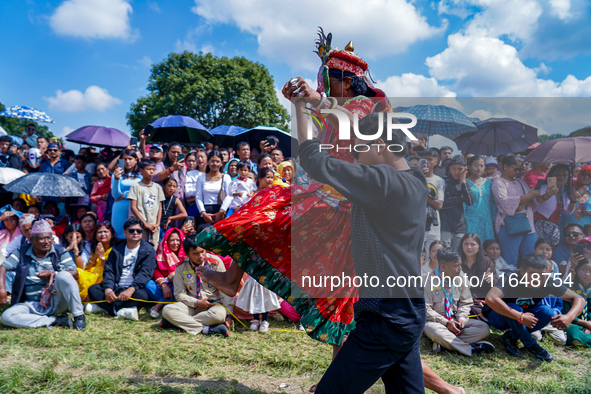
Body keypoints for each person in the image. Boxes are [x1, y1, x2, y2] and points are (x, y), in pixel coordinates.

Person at [485, 253, 585, 361]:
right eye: (533, 274)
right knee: (515, 307)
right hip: (499, 318)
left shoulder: (548, 281)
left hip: (525, 318)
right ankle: (532, 345)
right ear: (522, 271)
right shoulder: (511, 277)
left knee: (548, 312)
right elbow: (491, 298)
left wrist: (569, 317)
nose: (537, 278)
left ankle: (510, 336)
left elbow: (579, 299)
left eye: (542, 275)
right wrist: (520, 316)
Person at [0, 219, 85, 330]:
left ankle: (78, 316)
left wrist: (52, 273)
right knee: (6, 317)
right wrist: (2, 289)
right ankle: (55, 321)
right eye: (41, 238)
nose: (46, 242)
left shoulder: (59, 251)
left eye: (49, 238)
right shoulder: (22, 252)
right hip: (30, 304)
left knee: (63, 275)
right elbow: (3, 267)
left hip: (55, 302)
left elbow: (75, 273)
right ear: (32, 240)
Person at [423, 248, 493, 356]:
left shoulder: (461, 278)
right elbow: (425, 309)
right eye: (456, 265)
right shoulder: (427, 281)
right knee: (434, 330)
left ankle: (444, 343)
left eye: (460, 265)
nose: (460, 268)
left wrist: (461, 319)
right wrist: (446, 323)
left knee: (484, 328)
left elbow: (466, 302)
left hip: (455, 320)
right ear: (443, 267)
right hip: (436, 322)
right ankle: (470, 348)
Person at [161, 235, 233, 336]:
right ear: (187, 254)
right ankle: (206, 329)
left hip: (212, 306)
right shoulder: (181, 268)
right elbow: (179, 294)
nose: (200, 256)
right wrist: (196, 302)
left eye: (202, 251)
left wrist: (229, 314)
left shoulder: (216, 263)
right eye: (195, 253)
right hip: (191, 305)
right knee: (167, 310)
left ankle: (176, 323)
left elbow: (225, 289)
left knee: (219, 315)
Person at [88, 218, 156, 320]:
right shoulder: (116, 249)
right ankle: (123, 310)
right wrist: (108, 290)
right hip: (116, 287)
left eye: (139, 231)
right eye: (131, 231)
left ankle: (108, 309)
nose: (135, 233)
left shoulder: (148, 250)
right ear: (125, 233)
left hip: (134, 289)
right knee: (93, 289)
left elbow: (145, 273)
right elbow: (109, 270)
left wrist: (130, 290)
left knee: (143, 295)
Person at [492, 155, 540, 268]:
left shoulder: (521, 182)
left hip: (528, 224)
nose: (518, 172)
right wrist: (526, 198)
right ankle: (510, 284)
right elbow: (506, 203)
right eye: (515, 169)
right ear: (505, 166)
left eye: (519, 169)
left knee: (532, 258)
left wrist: (524, 200)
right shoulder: (499, 183)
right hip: (510, 225)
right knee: (510, 259)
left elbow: (532, 201)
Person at [146, 228, 185, 318]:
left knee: (180, 286)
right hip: (164, 286)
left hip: (179, 286)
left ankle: (159, 305)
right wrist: (163, 285)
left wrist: (176, 274)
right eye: (172, 240)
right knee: (148, 285)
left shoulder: (186, 254)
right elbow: (156, 271)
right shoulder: (160, 253)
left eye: (178, 240)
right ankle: (169, 301)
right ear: (166, 241)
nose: (175, 243)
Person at [534, 164, 576, 247]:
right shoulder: (543, 187)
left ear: (568, 178)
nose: (561, 177)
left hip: (554, 230)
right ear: (552, 175)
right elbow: (537, 201)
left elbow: (567, 212)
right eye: (558, 174)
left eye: (564, 175)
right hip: (539, 228)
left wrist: (573, 201)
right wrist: (547, 195)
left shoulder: (564, 191)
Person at [128, 159, 165, 249]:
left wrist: (157, 224)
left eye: (153, 169)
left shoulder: (158, 187)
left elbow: (160, 207)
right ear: (141, 171)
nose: (151, 171)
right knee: (140, 248)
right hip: (140, 225)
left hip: (154, 226)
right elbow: (133, 207)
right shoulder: (135, 186)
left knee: (153, 249)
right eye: (149, 169)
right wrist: (144, 223)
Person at [459, 233, 497, 318]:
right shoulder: (457, 262)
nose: (469, 247)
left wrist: (491, 280)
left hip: (483, 300)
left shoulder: (486, 261)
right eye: (466, 244)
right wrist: (472, 300)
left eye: (472, 244)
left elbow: (496, 286)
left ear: (479, 246)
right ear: (462, 246)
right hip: (462, 299)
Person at [440, 155, 474, 251]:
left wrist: (463, 181)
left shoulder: (464, 183)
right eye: (454, 168)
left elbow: (470, 201)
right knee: (445, 252)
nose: (456, 172)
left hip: (459, 226)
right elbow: (441, 203)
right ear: (449, 168)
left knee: (457, 255)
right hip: (445, 225)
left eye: (460, 169)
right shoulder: (444, 182)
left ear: (465, 169)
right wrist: (459, 199)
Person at [194, 151, 232, 232]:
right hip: (205, 212)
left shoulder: (226, 177)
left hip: (221, 210)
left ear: (221, 163)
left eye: (217, 161)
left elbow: (229, 195)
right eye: (212, 161)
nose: (215, 164)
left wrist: (221, 212)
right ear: (208, 162)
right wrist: (203, 213)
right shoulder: (201, 178)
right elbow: (198, 197)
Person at [78, 222, 115, 306]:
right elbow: (87, 268)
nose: (102, 234)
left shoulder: (115, 250)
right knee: (78, 272)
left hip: (105, 276)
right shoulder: (94, 248)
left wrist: (101, 257)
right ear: (95, 236)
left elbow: (110, 269)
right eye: (99, 232)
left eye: (105, 231)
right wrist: (95, 256)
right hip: (92, 273)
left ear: (111, 234)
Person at [111, 149, 142, 239]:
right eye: (124, 159)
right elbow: (116, 195)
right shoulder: (116, 174)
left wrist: (124, 195)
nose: (127, 161)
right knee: (120, 237)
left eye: (130, 159)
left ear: (136, 160)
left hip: (137, 209)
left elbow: (143, 192)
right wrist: (116, 179)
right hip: (120, 209)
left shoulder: (142, 175)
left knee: (136, 236)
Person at [464, 155, 495, 242]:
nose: (479, 168)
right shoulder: (465, 183)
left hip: (487, 221)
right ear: (469, 167)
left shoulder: (488, 183)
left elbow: (492, 203)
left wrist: (494, 220)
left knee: (487, 245)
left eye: (481, 166)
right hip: (470, 220)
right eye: (476, 165)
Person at [563, 258, 591, 347]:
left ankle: (582, 340)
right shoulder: (568, 287)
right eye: (583, 270)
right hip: (572, 323)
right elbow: (564, 312)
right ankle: (581, 339)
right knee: (572, 330)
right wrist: (585, 323)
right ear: (577, 270)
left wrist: (589, 324)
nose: (587, 274)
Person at [421, 148, 445, 254]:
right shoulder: (414, 177)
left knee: (434, 255)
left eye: (430, 159)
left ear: (436, 162)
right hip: (418, 223)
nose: (426, 162)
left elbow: (439, 205)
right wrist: (419, 176)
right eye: (424, 159)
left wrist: (424, 196)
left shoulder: (439, 181)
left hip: (434, 226)